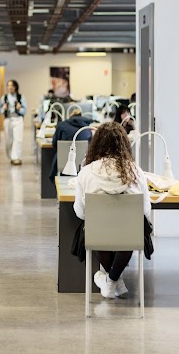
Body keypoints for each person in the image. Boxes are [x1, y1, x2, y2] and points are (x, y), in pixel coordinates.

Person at [73, 123, 151, 299]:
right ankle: (115, 281)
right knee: (132, 229)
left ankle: (110, 281)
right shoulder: (136, 172)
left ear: (96, 144)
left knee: (94, 226)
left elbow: (80, 212)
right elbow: (145, 211)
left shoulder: (86, 173)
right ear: (124, 144)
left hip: (97, 234)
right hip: (130, 235)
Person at [49, 108, 94, 181]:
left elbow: (54, 144)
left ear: (70, 116)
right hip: (83, 165)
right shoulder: (87, 127)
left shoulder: (62, 125)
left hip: (63, 163)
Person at [0, 80, 26, 165]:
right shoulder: (4, 98)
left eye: (12, 86)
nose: (10, 87)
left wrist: (19, 108)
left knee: (18, 139)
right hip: (8, 119)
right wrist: (3, 108)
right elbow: (0, 110)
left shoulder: (21, 97)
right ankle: (11, 156)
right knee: (9, 140)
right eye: (9, 85)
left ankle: (17, 157)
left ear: (15, 87)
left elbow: (24, 110)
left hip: (18, 119)